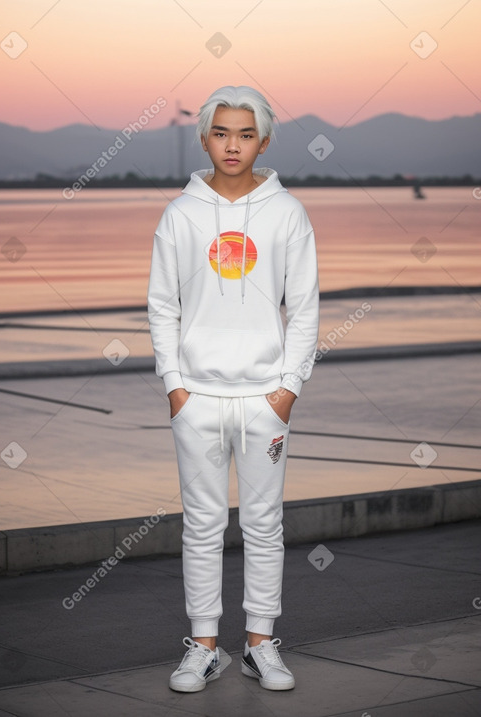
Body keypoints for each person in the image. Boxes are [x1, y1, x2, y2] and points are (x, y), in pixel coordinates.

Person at [147, 85, 319, 693]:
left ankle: (261, 644)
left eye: (246, 134)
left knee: (264, 523)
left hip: (264, 400)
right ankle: (202, 646)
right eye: (222, 133)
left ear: (264, 142)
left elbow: (303, 310)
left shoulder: (287, 213)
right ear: (205, 138)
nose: (233, 145)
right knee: (200, 524)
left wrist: (286, 390)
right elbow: (161, 307)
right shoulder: (181, 214)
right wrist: (176, 388)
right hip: (197, 398)